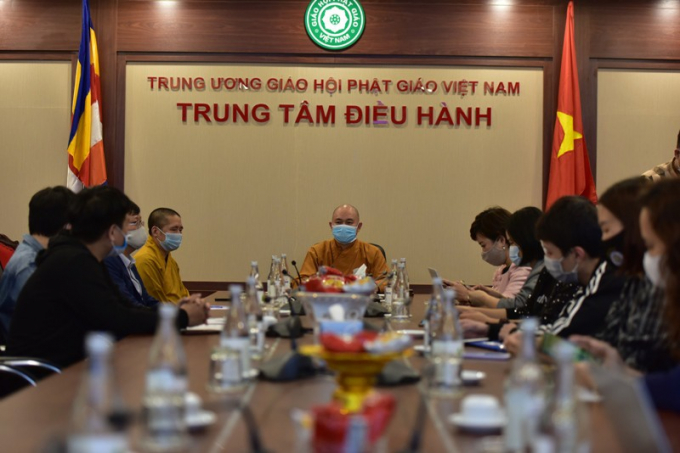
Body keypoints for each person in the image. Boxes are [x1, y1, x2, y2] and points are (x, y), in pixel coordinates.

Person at [5, 186, 208, 372]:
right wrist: (183, 318)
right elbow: (118, 318)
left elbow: (126, 306)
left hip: (68, 367)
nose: (131, 233)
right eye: (126, 226)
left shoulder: (86, 257)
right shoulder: (72, 262)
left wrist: (175, 311)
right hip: (43, 376)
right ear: (112, 232)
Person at [572, 178, 680, 412]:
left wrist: (616, 380)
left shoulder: (656, 290)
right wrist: (617, 370)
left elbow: (674, 386)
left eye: (650, 246)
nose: (648, 257)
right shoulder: (637, 282)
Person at [503, 196, 626, 351]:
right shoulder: (582, 281)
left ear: (577, 255)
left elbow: (563, 336)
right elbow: (557, 325)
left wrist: (517, 334)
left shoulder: (607, 280)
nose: (547, 260)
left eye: (550, 252)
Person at [593, 177, 675, 373]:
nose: (603, 239)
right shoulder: (634, 280)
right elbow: (609, 338)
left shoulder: (661, 286)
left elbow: (646, 365)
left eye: (606, 229)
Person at [0, 186, 74, 342]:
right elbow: (49, 324)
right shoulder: (28, 266)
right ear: (66, 226)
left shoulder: (46, 258)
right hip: (33, 353)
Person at [445, 207, 530, 302]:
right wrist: (466, 294)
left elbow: (508, 306)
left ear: (501, 240)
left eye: (483, 245)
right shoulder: (500, 271)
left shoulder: (522, 269)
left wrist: (468, 295)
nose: (483, 252)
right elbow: (493, 302)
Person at [299, 204, 388, 286]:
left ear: (359, 226)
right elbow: (302, 280)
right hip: (326, 297)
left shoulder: (373, 252)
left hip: (360, 297)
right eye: (338, 222)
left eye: (349, 222)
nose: (343, 226)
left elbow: (386, 280)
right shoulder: (316, 251)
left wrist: (370, 286)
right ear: (331, 225)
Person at [103, 201, 159, 309]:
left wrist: (177, 312)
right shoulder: (109, 261)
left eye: (140, 222)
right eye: (134, 223)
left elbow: (147, 300)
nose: (140, 228)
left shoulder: (129, 262)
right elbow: (127, 305)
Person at [135, 207, 191, 303]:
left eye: (180, 230)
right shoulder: (145, 260)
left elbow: (183, 294)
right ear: (155, 231)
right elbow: (155, 302)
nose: (179, 234)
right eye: (174, 229)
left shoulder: (170, 261)